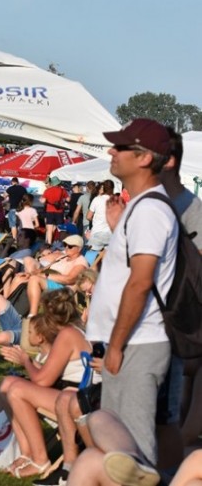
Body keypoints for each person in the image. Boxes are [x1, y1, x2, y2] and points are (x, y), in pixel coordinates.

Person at [85, 118, 179, 467]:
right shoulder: (141, 208)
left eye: (121, 146)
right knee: (117, 447)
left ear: (143, 158)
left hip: (137, 344)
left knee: (134, 451)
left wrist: (117, 345)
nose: (111, 151)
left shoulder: (150, 210)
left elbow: (140, 283)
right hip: (131, 342)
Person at [0, 290, 97, 478]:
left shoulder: (67, 335)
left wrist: (25, 360)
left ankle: (40, 460)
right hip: (75, 395)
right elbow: (51, 372)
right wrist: (31, 363)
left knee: (17, 390)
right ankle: (26, 453)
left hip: (77, 401)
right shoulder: (76, 331)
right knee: (7, 383)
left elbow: (43, 380)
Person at [41, 176, 68, 245]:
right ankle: (61, 243)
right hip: (59, 211)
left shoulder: (47, 190)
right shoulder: (62, 190)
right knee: (60, 228)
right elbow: (68, 199)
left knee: (49, 228)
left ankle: (49, 243)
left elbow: (43, 201)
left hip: (49, 211)